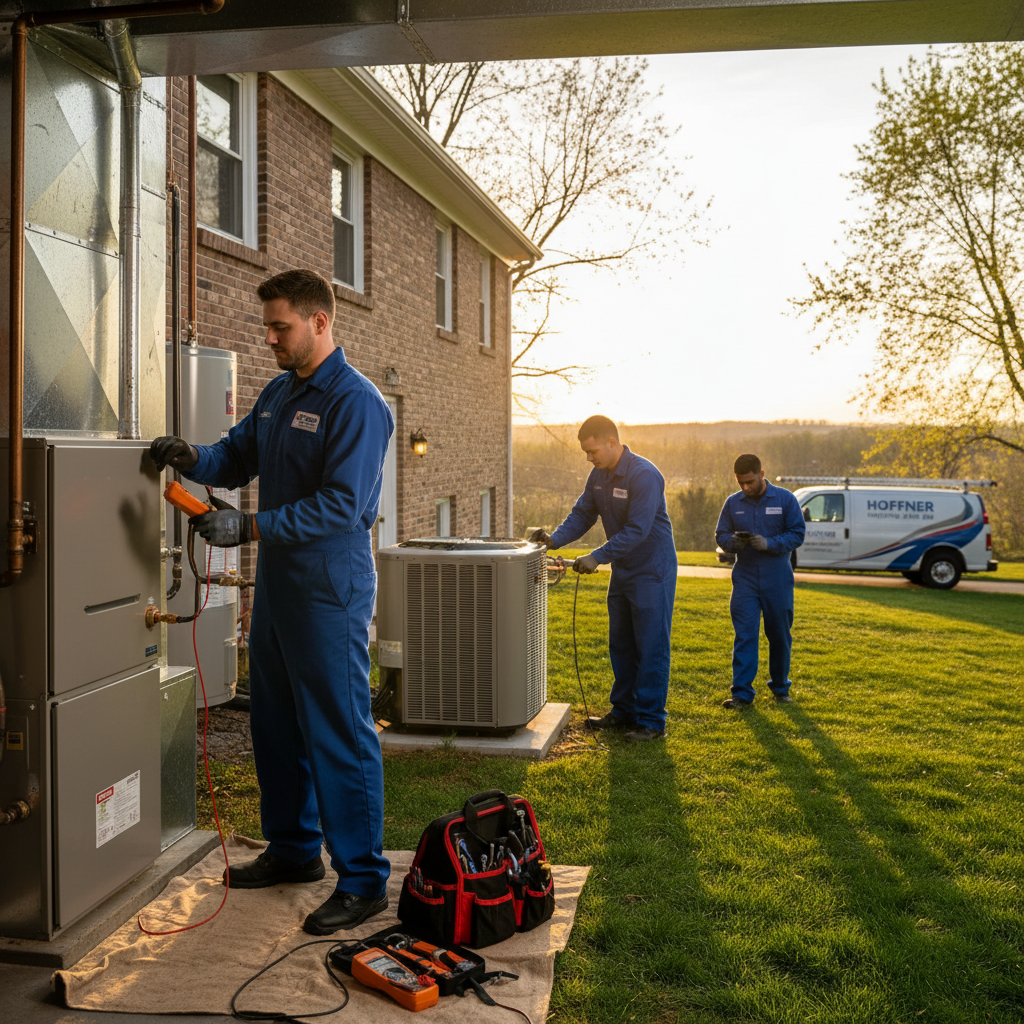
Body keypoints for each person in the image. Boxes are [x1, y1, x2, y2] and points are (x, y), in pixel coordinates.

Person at [149, 269, 394, 935]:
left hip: (329, 591)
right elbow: (237, 456)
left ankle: (365, 879)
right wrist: (192, 455)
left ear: (320, 321)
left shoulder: (358, 403)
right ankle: (293, 853)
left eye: (280, 327)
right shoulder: (280, 393)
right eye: (269, 327)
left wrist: (249, 527)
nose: (270, 339)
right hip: (283, 587)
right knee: (276, 728)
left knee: (338, 732)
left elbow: (345, 507)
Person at [533, 416, 677, 741]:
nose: (589, 458)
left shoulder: (644, 475)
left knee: (651, 645)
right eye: (585, 452)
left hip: (652, 570)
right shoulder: (599, 475)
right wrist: (554, 540)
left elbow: (638, 530)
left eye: (592, 450)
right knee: (621, 643)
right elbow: (584, 512)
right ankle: (624, 712)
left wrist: (597, 556)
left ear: (612, 442)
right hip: (623, 569)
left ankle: (652, 722)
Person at [714, 454, 805, 710]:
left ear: (762, 473)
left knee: (778, 635)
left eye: (751, 481)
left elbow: (797, 533)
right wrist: (734, 542)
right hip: (745, 578)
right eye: (741, 482)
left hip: (777, 577)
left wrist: (770, 543)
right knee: (745, 635)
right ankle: (742, 694)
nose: (746, 487)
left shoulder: (785, 499)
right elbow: (720, 534)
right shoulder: (733, 503)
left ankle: (780, 687)